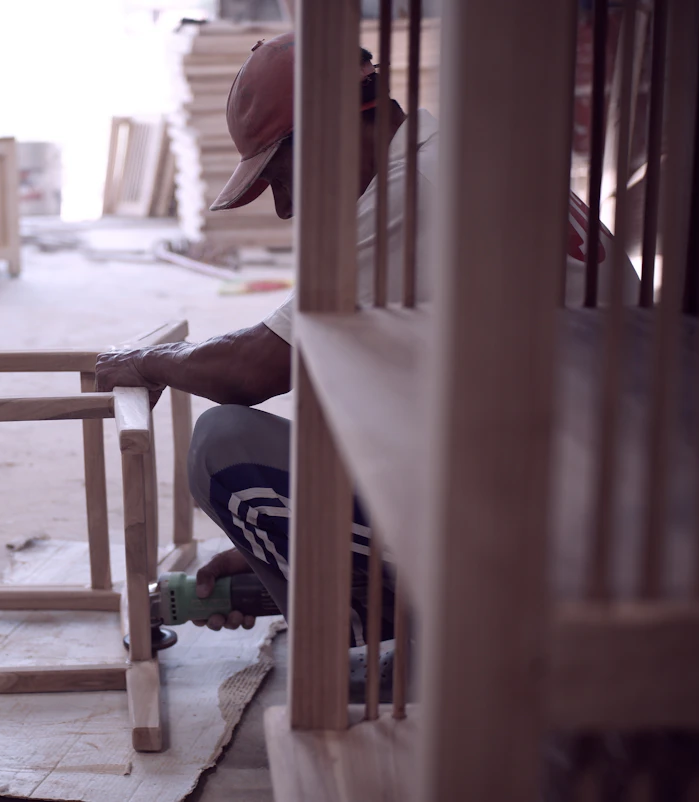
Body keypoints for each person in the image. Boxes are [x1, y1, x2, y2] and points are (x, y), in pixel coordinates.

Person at [95, 33, 635, 638]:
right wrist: (285, 543)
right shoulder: (463, 156)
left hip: (562, 532)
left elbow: (252, 371)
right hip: (602, 499)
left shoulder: (409, 192)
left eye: (281, 174)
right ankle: (381, 611)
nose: (284, 208)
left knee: (223, 449)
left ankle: (374, 657)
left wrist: (150, 361)